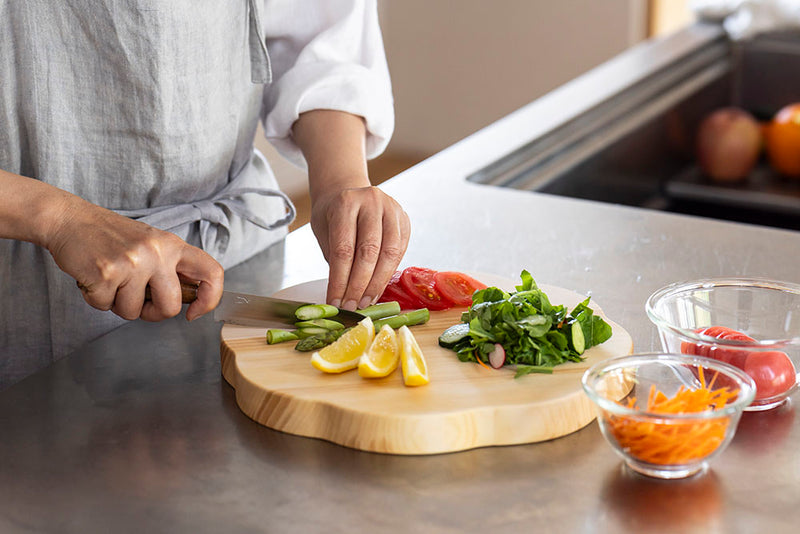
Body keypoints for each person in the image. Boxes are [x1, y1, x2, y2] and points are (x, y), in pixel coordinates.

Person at [0, 1, 410, 389]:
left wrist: (339, 180)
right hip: (24, 288)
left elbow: (317, 37)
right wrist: (59, 219)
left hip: (235, 255)